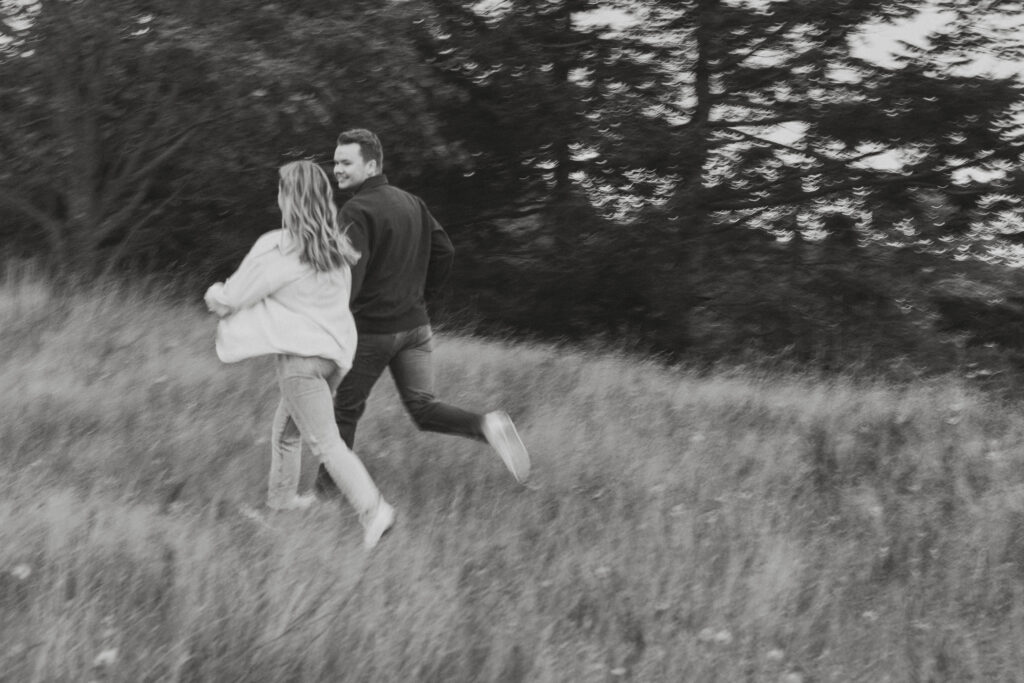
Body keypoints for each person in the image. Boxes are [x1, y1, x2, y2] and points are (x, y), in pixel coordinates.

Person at [315, 128, 530, 497]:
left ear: (371, 165)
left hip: (373, 331)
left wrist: (333, 321)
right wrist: (422, 296)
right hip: (415, 327)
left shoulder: (355, 210)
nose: (337, 169)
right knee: (423, 408)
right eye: (336, 162)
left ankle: (327, 495)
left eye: (346, 162)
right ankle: (486, 425)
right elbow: (445, 251)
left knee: (344, 412)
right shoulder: (413, 203)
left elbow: (350, 276)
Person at [205, 161, 395, 549]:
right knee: (286, 432)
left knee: (326, 444)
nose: (277, 196)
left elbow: (233, 297)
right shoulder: (336, 250)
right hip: (332, 359)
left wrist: (214, 295)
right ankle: (282, 505)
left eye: (281, 190)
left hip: (300, 364)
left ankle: (374, 510)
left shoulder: (280, 247)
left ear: (289, 199)